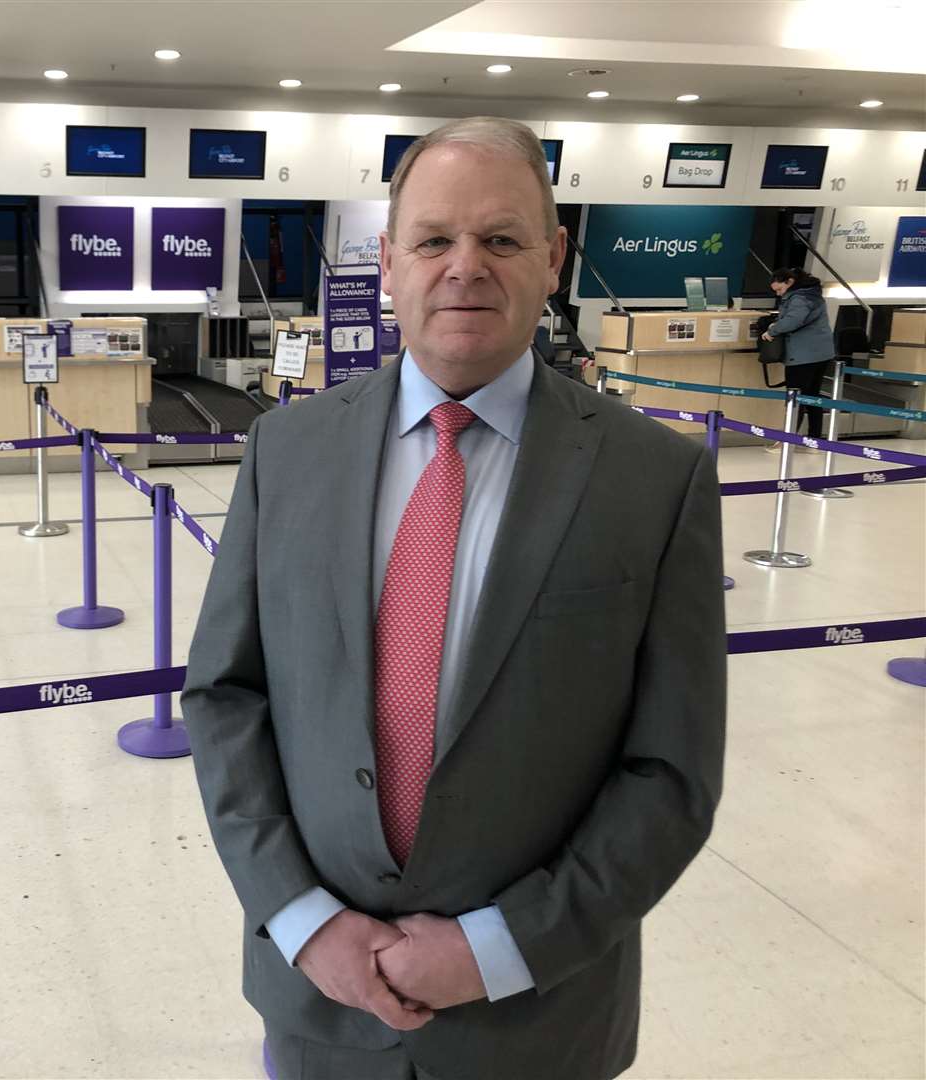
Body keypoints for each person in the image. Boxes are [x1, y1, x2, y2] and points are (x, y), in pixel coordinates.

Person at [182, 117, 727, 1080]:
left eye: (502, 239)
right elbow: (228, 698)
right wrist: (305, 921)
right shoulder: (288, 451)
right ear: (388, 261)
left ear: (553, 259)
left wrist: (498, 948)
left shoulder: (655, 479)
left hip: (538, 1019)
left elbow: (670, 775)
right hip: (321, 1004)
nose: (464, 267)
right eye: (433, 239)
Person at [761, 268, 835, 441]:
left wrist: (773, 331)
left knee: (795, 398)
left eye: (779, 289)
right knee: (812, 397)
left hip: (802, 355)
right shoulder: (813, 295)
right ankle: (815, 439)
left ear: (790, 282)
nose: (779, 294)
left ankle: (788, 439)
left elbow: (793, 320)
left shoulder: (799, 298)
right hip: (820, 353)